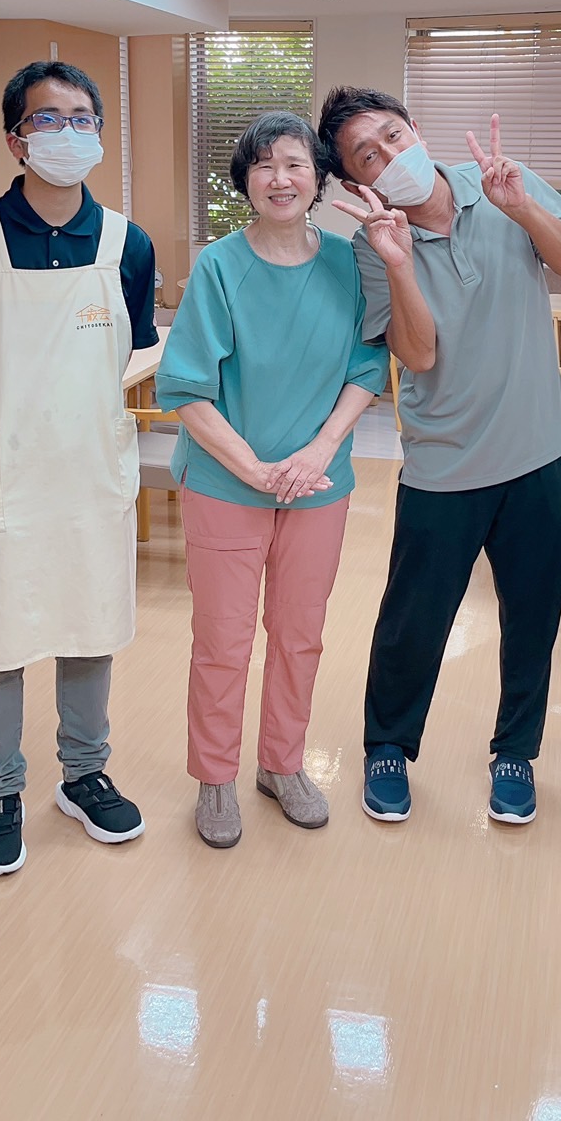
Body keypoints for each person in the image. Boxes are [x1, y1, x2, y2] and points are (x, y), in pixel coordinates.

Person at [317, 86, 561, 827]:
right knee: (414, 620)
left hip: (537, 451)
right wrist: (400, 263)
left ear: (415, 128)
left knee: (533, 617)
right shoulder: (369, 246)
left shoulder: (498, 181)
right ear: (357, 182)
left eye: (391, 136)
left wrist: (523, 209)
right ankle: (387, 746)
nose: (388, 155)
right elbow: (418, 354)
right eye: (366, 157)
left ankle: (516, 753)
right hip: (443, 464)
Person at [0, 61, 155, 877]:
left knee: (90, 628)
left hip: (87, 474)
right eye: (47, 119)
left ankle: (84, 776)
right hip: (4, 477)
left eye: (83, 118)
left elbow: (129, 349)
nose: (67, 132)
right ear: (16, 139)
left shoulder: (126, 243)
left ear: (99, 134)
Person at [155, 111, 389, 849]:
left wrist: (319, 451)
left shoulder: (350, 262)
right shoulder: (220, 267)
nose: (280, 178)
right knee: (222, 641)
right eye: (264, 165)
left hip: (317, 484)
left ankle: (282, 765)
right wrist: (254, 468)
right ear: (245, 181)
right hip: (226, 483)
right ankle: (215, 778)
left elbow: (367, 367)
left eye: (295, 163)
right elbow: (186, 386)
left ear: (319, 177)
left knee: (299, 635)